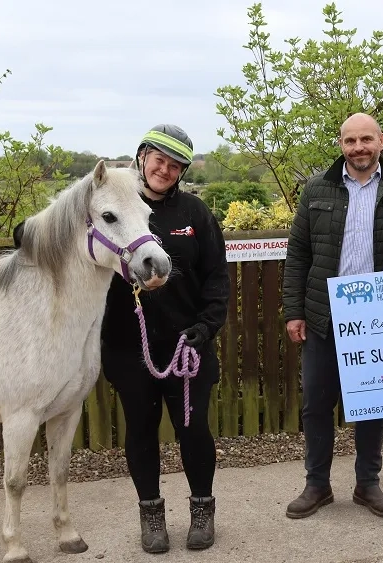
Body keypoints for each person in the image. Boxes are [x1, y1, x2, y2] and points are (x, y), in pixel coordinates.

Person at [282, 113, 383, 520]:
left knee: (374, 402)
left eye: (366, 139)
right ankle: (317, 484)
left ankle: (367, 483)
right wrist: (294, 311)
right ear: (340, 145)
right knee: (316, 404)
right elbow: (299, 255)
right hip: (325, 314)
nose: (358, 147)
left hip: (379, 317)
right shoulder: (316, 189)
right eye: (350, 141)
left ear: (381, 141)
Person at [99, 124, 229, 553]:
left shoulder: (194, 214)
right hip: (128, 346)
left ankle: (202, 511)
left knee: (193, 431)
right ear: (141, 157)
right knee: (140, 431)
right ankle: (151, 514)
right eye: (159, 159)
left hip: (185, 346)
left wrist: (207, 328)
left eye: (175, 165)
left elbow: (216, 279)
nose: (166, 169)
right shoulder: (116, 207)